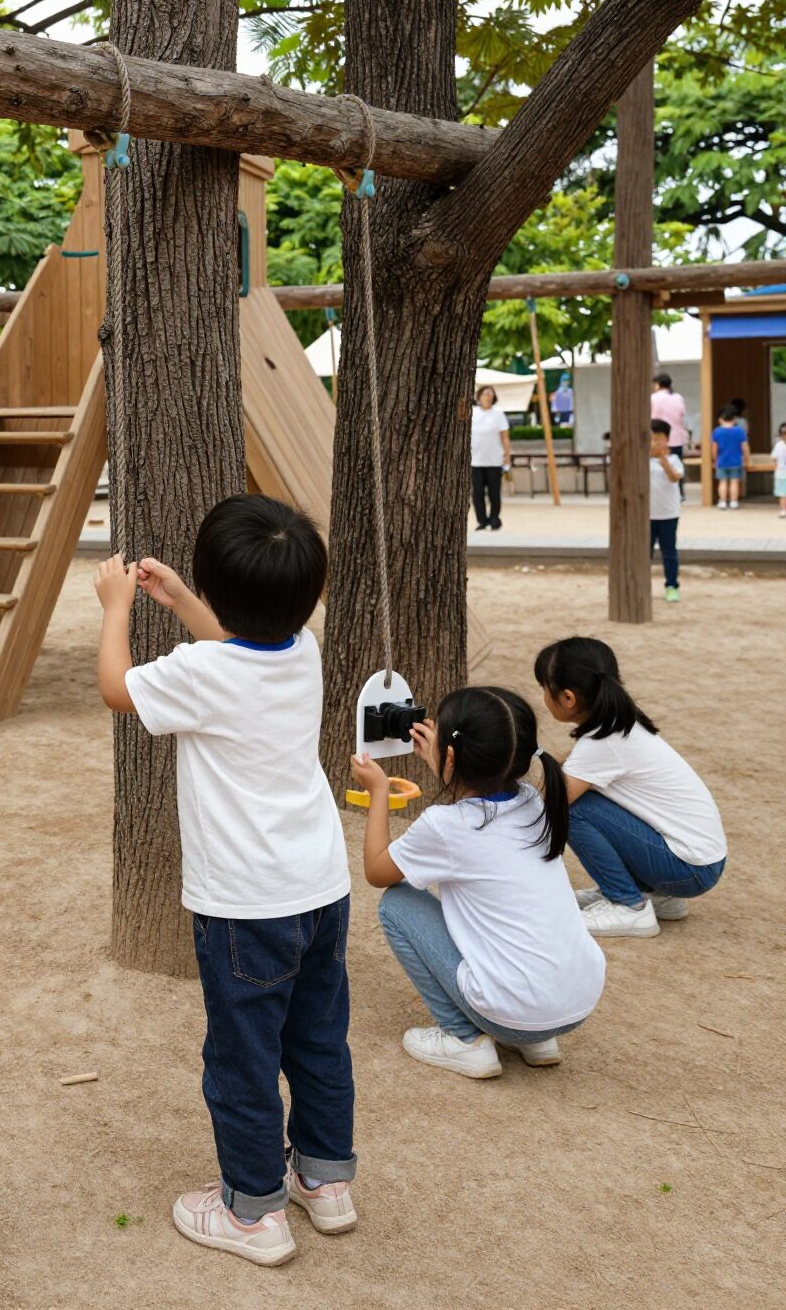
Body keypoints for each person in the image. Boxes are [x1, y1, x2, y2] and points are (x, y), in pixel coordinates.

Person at [94, 496, 355, 1267]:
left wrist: (117, 609)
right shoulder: (302, 648)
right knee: (316, 1042)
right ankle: (326, 1180)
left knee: (242, 1059)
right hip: (320, 888)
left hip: (246, 905)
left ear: (218, 586)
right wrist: (181, 601)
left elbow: (118, 687)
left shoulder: (199, 672)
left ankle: (252, 1211)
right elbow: (240, 645)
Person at [355, 687, 604, 1081]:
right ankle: (534, 1040)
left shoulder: (447, 825)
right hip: (576, 1002)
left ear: (451, 756)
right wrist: (447, 757)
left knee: (396, 904)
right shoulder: (533, 801)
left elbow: (377, 871)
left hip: (518, 1011)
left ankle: (465, 1039)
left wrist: (380, 791)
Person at [534, 637, 726, 939]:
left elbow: (550, 804)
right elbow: (572, 769)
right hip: (700, 861)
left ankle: (628, 904)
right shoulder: (619, 721)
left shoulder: (601, 742)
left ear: (568, 698)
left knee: (571, 807)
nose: (543, 696)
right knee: (584, 796)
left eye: (544, 688)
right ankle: (654, 894)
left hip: (689, 868)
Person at [649, 418, 682, 603]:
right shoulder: (640, 461)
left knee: (669, 552)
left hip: (668, 514)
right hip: (646, 515)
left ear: (667, 440)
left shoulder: (674, 459)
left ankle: (671, 585)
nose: (654, 443)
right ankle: (643, 586)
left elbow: (674, 478)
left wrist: (663, 460)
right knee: (644, 553)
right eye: (651, 438)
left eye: (658, 438)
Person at [469, 385, 511, 532]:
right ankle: (482, 520)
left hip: (494, 460)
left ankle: (494, 519)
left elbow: (504, 436)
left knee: (494, 493)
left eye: (490, 394)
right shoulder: (473, 413)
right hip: (475, 460)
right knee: (477, 493)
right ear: (479, 396)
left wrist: (507, 454)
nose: (488, 396)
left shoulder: (498, 414)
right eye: (485, 393)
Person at [650, 372, 689, 500]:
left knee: (656, 466)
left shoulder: (653, 398)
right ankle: (680, 493)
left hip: (658, 437)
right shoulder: (678, 398)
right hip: (676, 436)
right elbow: (682, 414)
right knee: (677, 465)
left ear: (657, 384)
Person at [710, 404, 748, 509]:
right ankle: (733, 502)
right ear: (734, 419)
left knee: (722, 481)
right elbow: (744, 447)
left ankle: (722, 501)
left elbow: (714, 448)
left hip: (721, 461)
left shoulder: (717, 431)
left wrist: (715, 460)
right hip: (736, 461)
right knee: (734, 481)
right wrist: (746, 459)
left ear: (721, 419)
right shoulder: (740, 431)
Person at [774, 421, 786, 520]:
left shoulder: (779, 445)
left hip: (781, 473)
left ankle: (783, 510)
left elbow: (773, 458)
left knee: (783, 494)